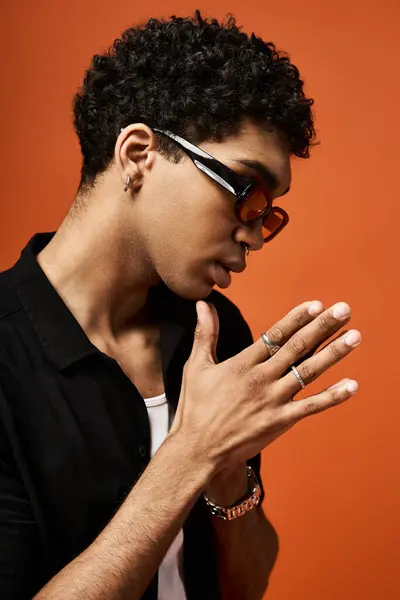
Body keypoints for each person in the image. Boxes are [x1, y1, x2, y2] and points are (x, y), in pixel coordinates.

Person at [0, 10, 362, 600]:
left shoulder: (213, 334)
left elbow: (244, 586)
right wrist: (194, 453)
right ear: (140, 153)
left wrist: (226, 473)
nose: (255, 234)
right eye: (247, 193)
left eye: (270, 214)